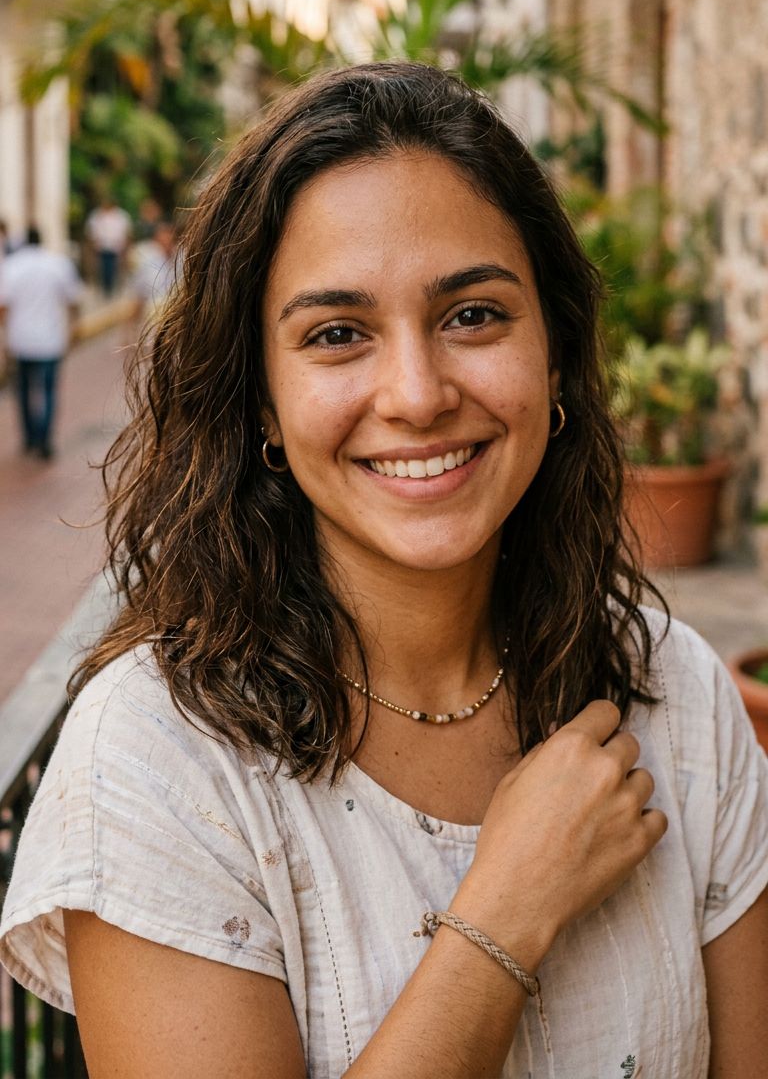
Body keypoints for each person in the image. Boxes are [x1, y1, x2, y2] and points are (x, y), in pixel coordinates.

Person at [1, 63, 766, 1078]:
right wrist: (504, 913)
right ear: (261, 400)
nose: (415, 392)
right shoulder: (156, 762)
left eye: (473, 315)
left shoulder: (680, 697)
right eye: (337, 334)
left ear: (555, 349)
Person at [0, 225, 83, 459]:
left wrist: (5, 338)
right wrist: (75, 327)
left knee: (24, 390)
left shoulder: (11, 266)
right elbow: (74, 300)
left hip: (20, 339)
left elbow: (3, 307)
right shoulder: (58, 264)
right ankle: (44, 438)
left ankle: (29, 438)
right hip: (50, 339)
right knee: (47, 390)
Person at [85, 195, 132, 296]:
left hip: (117, 248)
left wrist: (125, 247)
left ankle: (114, 291)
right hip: (101, 248)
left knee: (115, 271)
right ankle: (104, 290)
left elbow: (127, 232)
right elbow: (91, 232)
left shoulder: (121, 216)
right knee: (103, 270)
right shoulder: (96, 215)